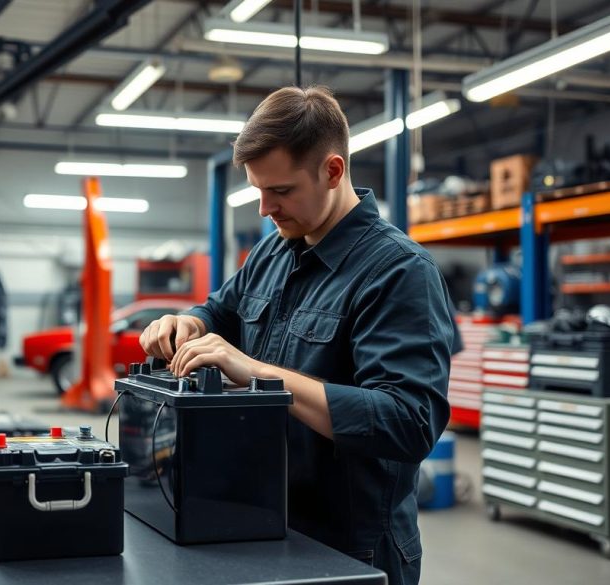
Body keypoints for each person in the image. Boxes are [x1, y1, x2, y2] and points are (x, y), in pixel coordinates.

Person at [139, 86, 458, 585]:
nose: (265, 208)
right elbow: (221, 309)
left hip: (351, 551)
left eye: (281, 191)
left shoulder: (399, 273)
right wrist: (190, 322)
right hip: (261, 522)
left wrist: (262, 376)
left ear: (333, 171)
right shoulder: (274, 252)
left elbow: (408, 422)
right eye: (258, 190)